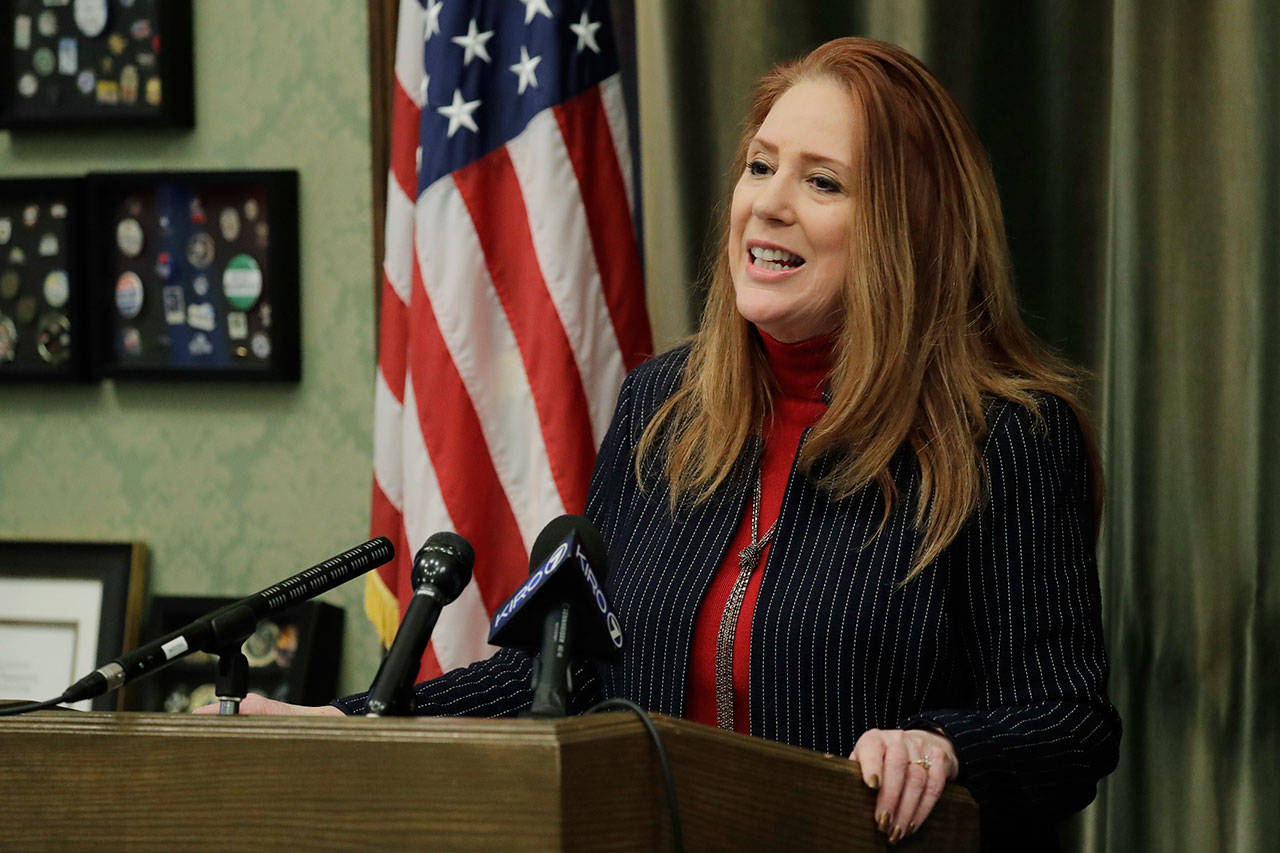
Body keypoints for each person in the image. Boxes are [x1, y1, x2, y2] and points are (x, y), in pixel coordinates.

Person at [207, 37, 1120, 848]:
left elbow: (1066, 720)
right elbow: (559, 668)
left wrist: (947, 743)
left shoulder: (1005, 435)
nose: (768, 205)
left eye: (822, 180)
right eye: (759, 167)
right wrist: (359, 716)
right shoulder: (663, 406)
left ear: (911, 224)